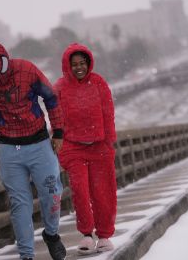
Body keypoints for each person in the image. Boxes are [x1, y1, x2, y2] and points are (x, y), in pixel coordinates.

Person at [0, 41, 66, 260]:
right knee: (20, 203)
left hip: (39, 143)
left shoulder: (26, 70)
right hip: (9, 149)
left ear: (6, 59)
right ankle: (26, 255)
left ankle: (52, 234)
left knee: (52, 192)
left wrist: (58, 132)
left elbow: (50, 96)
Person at [54, 43, 117, 255]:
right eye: (74, 64)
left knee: (102, 191)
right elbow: (54, 116)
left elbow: (108, 113)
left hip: (99, 147)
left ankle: (105, 235)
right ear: (67, 66)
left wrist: (109, 141)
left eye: (82, 63)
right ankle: (87, 234)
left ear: (88, 63)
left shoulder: (98, 82)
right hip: (73, 148)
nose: (79, 67)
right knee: (80, 190)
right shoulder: (60, 87)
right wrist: (59, 141)